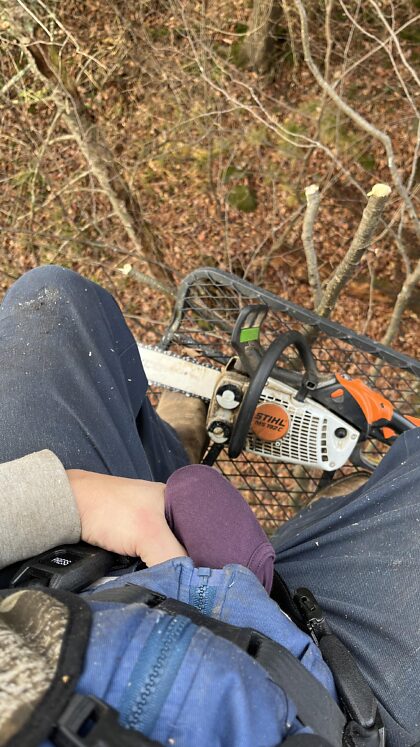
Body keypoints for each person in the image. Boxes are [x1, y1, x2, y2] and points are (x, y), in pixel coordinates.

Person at [0, 265, 419, 747]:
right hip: (318, 706)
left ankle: (170, 450)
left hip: (44, 586)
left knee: (56, 302)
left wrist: (51, 498)